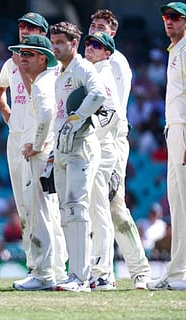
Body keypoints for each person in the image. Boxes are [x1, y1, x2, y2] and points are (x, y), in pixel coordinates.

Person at [0, 12, 68, 284]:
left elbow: (40, 101)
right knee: (25, 208)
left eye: (32, 28)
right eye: (22, 26)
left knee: (45, 207)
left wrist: (23, 67)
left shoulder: (50, 66)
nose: (25, 30)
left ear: (44, 34)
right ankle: (37, 267)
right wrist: (6, 113)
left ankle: (52, 268)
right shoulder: (12, 63)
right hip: (17, 138)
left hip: (40, 141)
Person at [89, 9, 152, 289]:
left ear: (112, 33)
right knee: (98, 206)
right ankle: (102, 270)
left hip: (112, 139)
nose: (95, 30)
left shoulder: (116, 63)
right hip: (93, 138)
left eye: (101, 27)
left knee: (115, 205)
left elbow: (114, 110)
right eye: (93, 26)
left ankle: (138, 271)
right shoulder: (88, 60)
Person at [50, 21, 106, 292]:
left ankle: (81, 277)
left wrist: (78, 117)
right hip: (62, 147)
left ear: (74, 43)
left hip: (81, 145)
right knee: (65, 210)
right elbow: (58, 112)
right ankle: (75, 273)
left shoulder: (82, 67)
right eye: (53, 42)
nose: (55, 47)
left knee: (76, 206)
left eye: (61, 42)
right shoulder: (59, 72)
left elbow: (98, 94)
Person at [6, 34, 60, 291]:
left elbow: (48, 113)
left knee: (39, 215)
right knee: (42, 213)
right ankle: (46, 271)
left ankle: (44, 274)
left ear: (42, 57)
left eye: (28, 54)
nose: (21, 58)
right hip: (44, 153)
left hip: (40, 156)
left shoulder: (41, 83)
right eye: (21, 54)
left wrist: (37, 144)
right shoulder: (47, 79)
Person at [148, 2, 186, 291]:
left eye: (175, 17)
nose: (168, 22)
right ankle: (177, 272)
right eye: (165, 17)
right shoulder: (175, 51)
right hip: (173, 130)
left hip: (184, 131)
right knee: (177, 206)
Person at [84, 31, 120, 290]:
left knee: (99, 209)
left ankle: (103, 272)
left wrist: (89, 133)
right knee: (93, 209)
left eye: (97, 45)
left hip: (102, 146)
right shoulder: (92, 71)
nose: (90, 48)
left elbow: (112, 112)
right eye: (88, 43)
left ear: (107, 52)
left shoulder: (104, 73)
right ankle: (96, 270)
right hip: (94, 144)